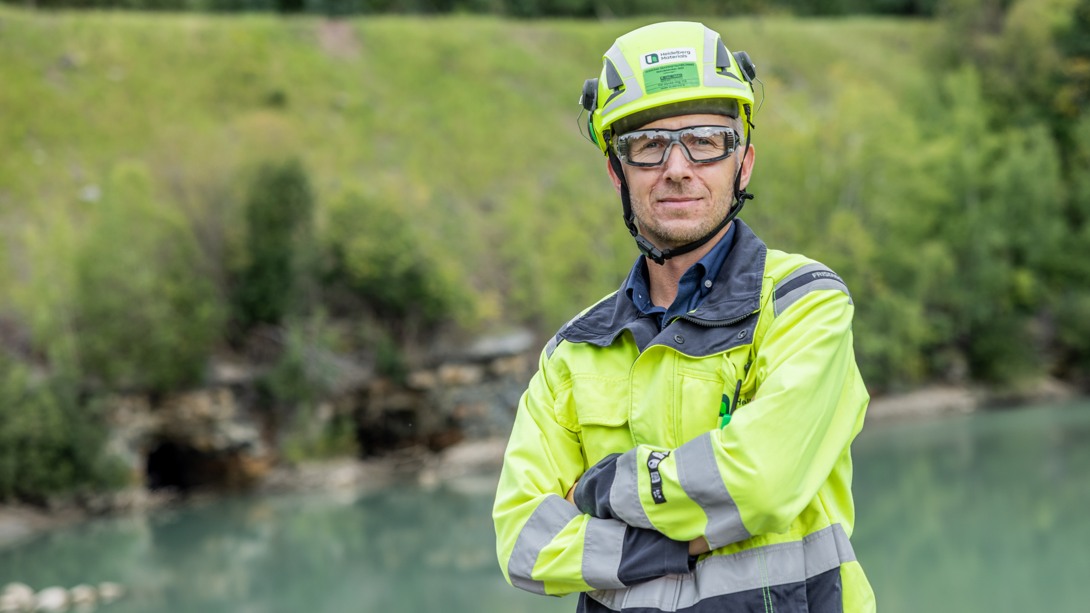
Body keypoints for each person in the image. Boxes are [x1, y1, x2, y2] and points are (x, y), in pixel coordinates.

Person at [492, 21, 876, 612]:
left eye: (705, 140)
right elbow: (524, 544)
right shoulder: (571, 355)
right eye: (647, 145)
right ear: (617, 171)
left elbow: (762, 481)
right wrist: (684, 544)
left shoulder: (804, 302)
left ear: (742, 164)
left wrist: (596, 489)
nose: (677, 167)